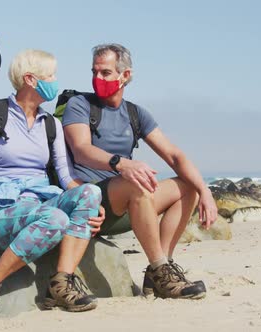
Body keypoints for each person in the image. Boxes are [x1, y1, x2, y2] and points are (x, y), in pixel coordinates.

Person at [0, 49, 104, 319]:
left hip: (36, 203)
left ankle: (60, 283)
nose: (55, 81)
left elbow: (67, 177)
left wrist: (92, 203)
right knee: (55, 218)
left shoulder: (50, 124)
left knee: (91, 192)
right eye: (51, 75)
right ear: (31, 79)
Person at [62, 43, 218, 300]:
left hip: (129, 205)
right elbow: (81, 149)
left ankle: (160, 269)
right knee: (138, 184)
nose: (97, 78)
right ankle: (160, 269)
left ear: (125, 76)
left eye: (105, 73)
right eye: (94, 72)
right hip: (93, 203)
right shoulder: (79, 105)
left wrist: (205, 190)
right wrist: (121, 164)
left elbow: (174, 155)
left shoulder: (135, 113)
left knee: (188, 187)